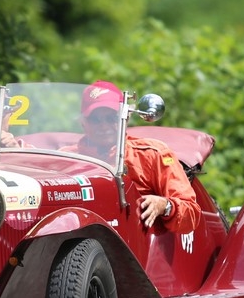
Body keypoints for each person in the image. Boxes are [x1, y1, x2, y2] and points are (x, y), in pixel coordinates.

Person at [61, 80, 199, 234]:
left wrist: (164, 205)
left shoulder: (153, 154)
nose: (104, 126)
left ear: (125, 119)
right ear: (83, 123)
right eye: (95, 119)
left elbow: (191, 213)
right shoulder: (66, 158)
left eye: (111, 118)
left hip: (141, 250)